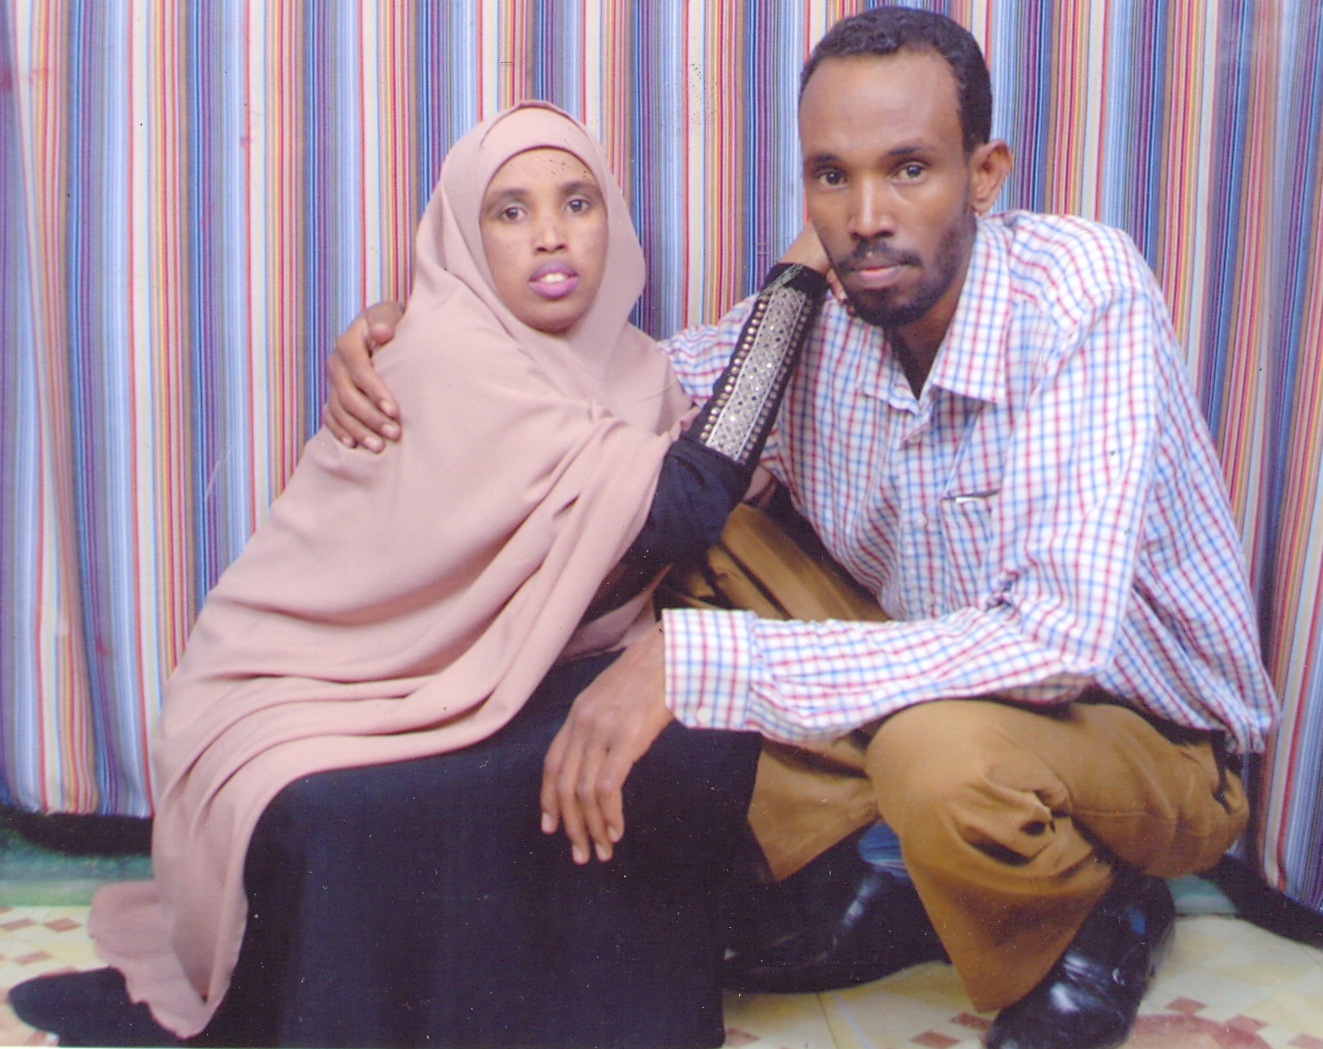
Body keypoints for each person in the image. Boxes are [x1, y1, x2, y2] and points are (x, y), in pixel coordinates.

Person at [325, 10, 1279, 1049]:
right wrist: (420, 337)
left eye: (909, 169)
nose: (866, 215)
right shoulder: (821, 309)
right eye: (832, 176)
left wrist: (691, 661)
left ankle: (1093, 913)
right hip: (937, 661)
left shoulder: (1081, 296)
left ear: (986, 171)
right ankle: (885, 894)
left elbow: (1054, 641)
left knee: (937, 756)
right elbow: (612, 402)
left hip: (1138, 726)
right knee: (656, 515)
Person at [10, 103, 832, 1048]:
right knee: (340, 814)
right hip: (321, 692)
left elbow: (697, 467)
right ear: (464, 240)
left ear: (613, 217)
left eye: (576, 201)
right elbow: (682, 503)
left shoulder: (635, 369)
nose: (551, 235)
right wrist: (798, 281)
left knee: (689, 739)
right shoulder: (447, 353)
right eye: (509, 213)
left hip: (490, 681)